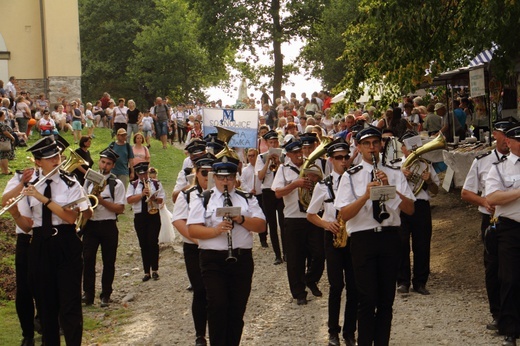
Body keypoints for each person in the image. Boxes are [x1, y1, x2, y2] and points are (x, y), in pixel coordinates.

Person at [6, 136, 91, 346]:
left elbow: (71, 218)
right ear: (38, 162)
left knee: (70, 305)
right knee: (45, 306)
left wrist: (43, 199)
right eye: (49, 157)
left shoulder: (70, 183)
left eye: (57, 156)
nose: (56, 160)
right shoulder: (28, 187)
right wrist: (15, 213)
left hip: (65, 242)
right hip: (40, 246)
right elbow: (27, 226)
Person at [334, 127, 415, 346]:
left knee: (386, 300)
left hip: (389, 237)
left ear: (380, 146)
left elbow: (410, 209)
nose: (372, 148)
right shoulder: (350, 176)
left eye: (375, 143)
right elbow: (344, 214)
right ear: (358, 148)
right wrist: (365, 196)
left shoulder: (395, 173)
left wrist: (391, 188)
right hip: (363, 239)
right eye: (367, 144)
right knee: (367, 298)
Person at [186, 154, 266, 346]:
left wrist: (241, 219)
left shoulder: (246, 198)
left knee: (237, 309)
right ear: (215, 178)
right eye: (221, 178)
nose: (225, 182)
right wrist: (215, 230)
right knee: (217, 305)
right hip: (212, 260)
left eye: (229, 177)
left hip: (241, 259)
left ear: (235, 179)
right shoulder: (204, 199)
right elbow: (192, 229)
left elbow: (262, 226)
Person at [306, 138, 358, 346]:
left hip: (353, 236)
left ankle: (349, 332)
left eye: (346, 157)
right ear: (330, 160)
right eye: (339, 158)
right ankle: (333, 331)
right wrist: (327, 225)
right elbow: (311, 214)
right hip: (334, 236)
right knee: (336, 285)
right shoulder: (322, 185)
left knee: (354, 287)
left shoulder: (356, 180)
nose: (343, 161)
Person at [462, 121, 512, 332]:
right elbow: (466, 192)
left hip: (513, 220)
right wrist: (484, 202)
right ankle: (498, 314)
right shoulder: (482, 161)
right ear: (496, 135)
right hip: (492, 220)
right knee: (493, 268)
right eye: (503, 134)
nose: (506, 140)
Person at [272, 137, 326, 305]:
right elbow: (277, 193)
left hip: (313, 216)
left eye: (300, 152)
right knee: (295, 258)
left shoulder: (311, 166)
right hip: (293, 218)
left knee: (319, 254)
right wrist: (295, 184)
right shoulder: (283, 170)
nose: (298, 155)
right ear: (288, 154)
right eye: (294, 153)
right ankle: (299, 292)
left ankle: (310, 279)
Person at [172, 153, 216, 346]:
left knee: (216, 293)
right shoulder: (187, 194)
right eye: (203, 172)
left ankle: (217, 332)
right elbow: (178, 220)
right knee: (200, 290)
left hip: (217, 248)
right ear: (196, 173)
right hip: (194, 248)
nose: (207, 177)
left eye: (211, 172)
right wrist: (198, 240)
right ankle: (200, 334)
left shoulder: (223, 194)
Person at [485, 124, 520, 346]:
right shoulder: (499, 168)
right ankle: (510, 329)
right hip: (511, 228)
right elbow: (492, 198)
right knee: (510, 278)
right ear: (509, 142)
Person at [394, 131, 440, 295]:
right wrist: (402, 175)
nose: (412, 149)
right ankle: (402, 281)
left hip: (421, 205)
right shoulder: (396, 165)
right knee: (401, 243)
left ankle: (420, 282)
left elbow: (435, 191)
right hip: (402, 205)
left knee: (422, 244)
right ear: (403, 148)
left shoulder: (426, 164)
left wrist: (428, 180)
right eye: (408, 146)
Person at [82, 148, 125, 308]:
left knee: (109, 261)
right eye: (103, 162)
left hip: (108, 225)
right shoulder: (88, 180)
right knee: (87, 260)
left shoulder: (116, 183)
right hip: (91, 225)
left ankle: (106, 294)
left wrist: (101, 200)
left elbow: (120, 208)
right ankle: (88, 294)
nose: (104, 166)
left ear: (112, 166)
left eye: (108, 163)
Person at [2, 168, 38, 346]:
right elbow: (3, 201)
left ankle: (47, 326)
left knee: (47, 287)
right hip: (25, 240)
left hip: (44, 236)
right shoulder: (18, 178)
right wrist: (22, 185)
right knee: (24, 290)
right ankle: (28, 334)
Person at [126, 162, 165, 282]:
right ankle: (146, 271)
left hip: (153, 215)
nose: (143, 176)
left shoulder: (156, 183)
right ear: (137, 174)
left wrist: (154, 198)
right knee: (143, 243)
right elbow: (129, 199)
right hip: (140, 216)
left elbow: (162, 199)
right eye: (141, 174)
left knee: (153, 241)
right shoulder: (133, 185)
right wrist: (142, 194)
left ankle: (155, 270)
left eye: (145, 173)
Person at [255, 130, 285, 263]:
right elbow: (260, 177)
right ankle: (277, 254)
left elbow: (286, 174)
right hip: (267, 192)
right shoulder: (261, 157)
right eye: (270, 142)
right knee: (272, 224)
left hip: (280, 190)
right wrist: (267, 162)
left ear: (278, 142)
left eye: (275, 142)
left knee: (284, 224)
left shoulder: (283, 156)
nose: (273, 144)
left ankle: (287, 253)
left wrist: (279, 163)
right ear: (266, 143)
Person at [240, 148, 266, 247]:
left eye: (253, 155)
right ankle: (262, 238)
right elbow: (242, 182)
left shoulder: (261, 168)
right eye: (249, 156)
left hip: (262, 194)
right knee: (256, 216)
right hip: (252, 196)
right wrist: (249, 190)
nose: (251, 158)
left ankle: (264, 235)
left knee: (264, 216)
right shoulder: (246, 170)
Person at [0, 110, 16, 175]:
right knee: (5, 156)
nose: (4, 116)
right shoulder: (1, 123)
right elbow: (5, 132)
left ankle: (3, 170)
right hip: (4, 140)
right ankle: (6, 171)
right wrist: (12, 137)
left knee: (1, 156)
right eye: (3, 115)